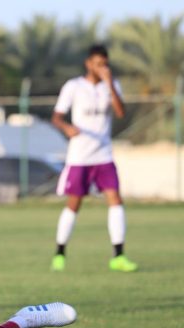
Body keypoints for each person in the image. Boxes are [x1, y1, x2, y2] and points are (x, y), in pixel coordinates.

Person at [51, 44, 138, 272]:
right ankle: (60, 252)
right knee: (74, 203)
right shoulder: (74, 86)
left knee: (115, 199)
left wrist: (109, 84)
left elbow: (120, 112)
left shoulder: (112, 85)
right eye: (98, 64)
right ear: (88, 64)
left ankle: (118, 256)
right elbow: (56, 117)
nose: (102, 68)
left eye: (105, 64)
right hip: (80, 156)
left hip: (104, 155)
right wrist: (67, 128)